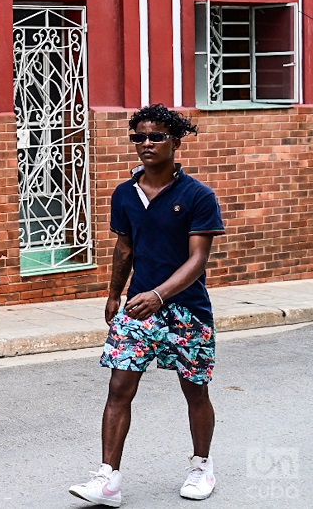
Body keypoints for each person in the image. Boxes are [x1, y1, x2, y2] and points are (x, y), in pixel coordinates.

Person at [69, 104, 224, 506]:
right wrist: (113, 293)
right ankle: (108, 479)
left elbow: (197, 261)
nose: (146, 144)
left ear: (175, 140)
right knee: (119, 387)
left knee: (195, 390)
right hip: (138, 307)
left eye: (156, 137)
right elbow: (125, 247)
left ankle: (201, 466)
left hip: (186, 310)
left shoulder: (198, 196)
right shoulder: (125, 194)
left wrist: (159, 295)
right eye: (138, 137)